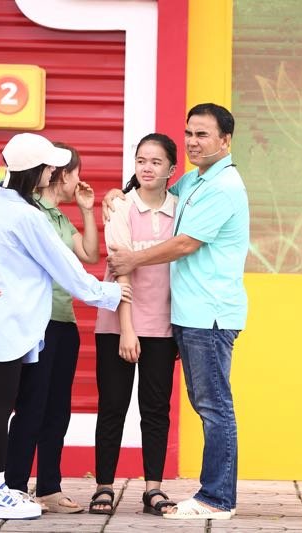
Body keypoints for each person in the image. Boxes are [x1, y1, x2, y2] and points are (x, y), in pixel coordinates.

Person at [0, 133, 130, 521]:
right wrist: (112, 293)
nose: (54, 172)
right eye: (49, 167)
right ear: (37, 171)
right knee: (0, 408)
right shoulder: (28, 217)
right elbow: (66, 269)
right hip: (8, 323)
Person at [105, 103, 249, 520]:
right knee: (208, 404)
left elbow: (186, 243)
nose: (192, 142)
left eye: (203, 134)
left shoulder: (224, 186)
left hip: (210, 315)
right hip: (189, 316)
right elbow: (151, 189)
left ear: (225, 140)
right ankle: (214, 495)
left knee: (214, 407)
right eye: (189, 133)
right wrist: (117, 193)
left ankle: (216, 499)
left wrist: (133, 258)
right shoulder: (196, 179)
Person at [0, 142, 98, 514]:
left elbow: (89, 255)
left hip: (62, 320)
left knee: (56, 410)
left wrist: (87, 211)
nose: (76, 179)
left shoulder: (55, 217)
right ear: (55, 173)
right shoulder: (22, 209)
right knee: (25, 406)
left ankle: (45, 487)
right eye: (72, 172)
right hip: (32, 322)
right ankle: (10, 484)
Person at [88, 133, 179, 516]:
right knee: (113, 406)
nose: (147, 168)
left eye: (156, 162)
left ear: (171, 169)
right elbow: (121, 267)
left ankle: (153, 489)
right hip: (117, 325)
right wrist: (127, 328)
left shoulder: (181, 210)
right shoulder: (120, 206)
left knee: (156, 409)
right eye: (141, 160)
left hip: (162, 325)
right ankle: (104, 486)